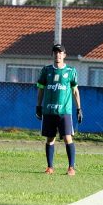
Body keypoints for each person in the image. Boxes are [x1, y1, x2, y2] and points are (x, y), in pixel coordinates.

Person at [36, 44, 83, 176]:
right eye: (55, 52)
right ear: (53, 55)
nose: (58, 55)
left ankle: (71, 168)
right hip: (49, 111)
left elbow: (75, 91)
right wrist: (38, 106)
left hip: (64, 112)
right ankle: (50, 167)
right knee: (50, 139)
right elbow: (40, 89)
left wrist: (79, 108)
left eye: (60, 52)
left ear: (64, 55)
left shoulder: (70, 71)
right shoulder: (46, 71)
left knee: (68, 138)